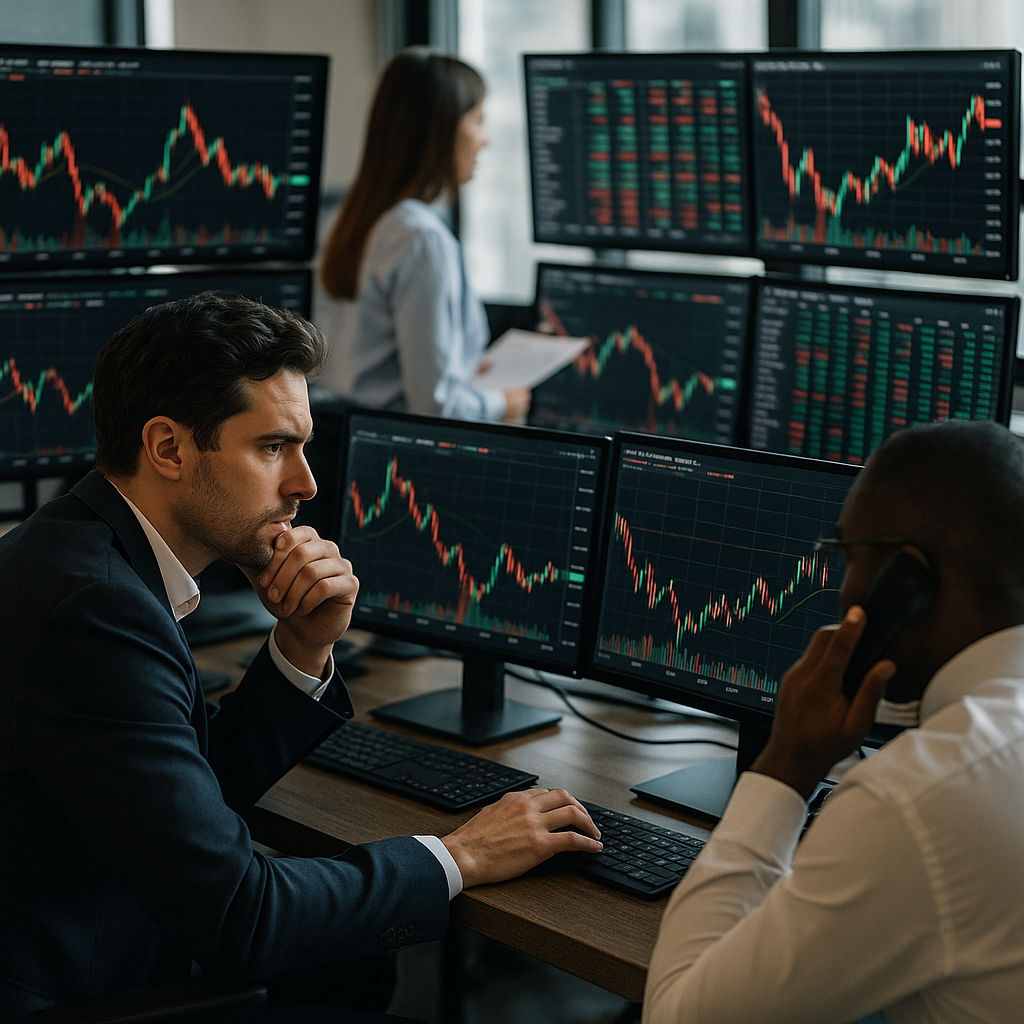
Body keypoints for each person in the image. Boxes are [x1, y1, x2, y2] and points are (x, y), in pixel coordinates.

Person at [0, 292, 601, 1023]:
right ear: (168, 448)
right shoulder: (96, 610)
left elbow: (185, 790)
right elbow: (240, 915)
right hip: (80, 985)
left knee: (349, 959)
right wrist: (461, 854)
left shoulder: (78, 549)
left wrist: (303, 643)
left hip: (106, 923)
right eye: (272, 447)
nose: (306, 484)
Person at [643, 419, 1024, 1024]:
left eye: (848, 556)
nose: (840, 585)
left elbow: (678, 1016)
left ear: (907, 580)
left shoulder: (920, 796)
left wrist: (788, 762)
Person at [314, 47, 530, 424]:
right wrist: (502, 403)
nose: (485, 140)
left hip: (342, 437)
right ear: (442, 132)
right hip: (395, 453)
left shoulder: (356, 219)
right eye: (478, 121)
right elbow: (435, 408)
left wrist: (459, 370)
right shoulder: (422, 239)